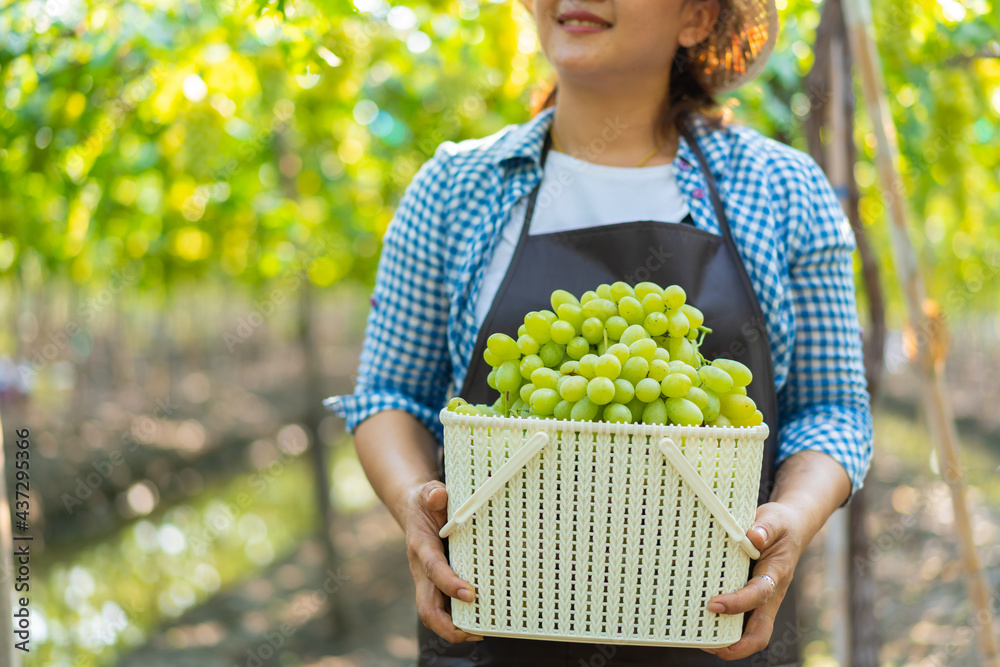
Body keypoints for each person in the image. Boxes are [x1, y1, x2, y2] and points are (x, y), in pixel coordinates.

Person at [326, 0, 873, 664]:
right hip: (492, 626)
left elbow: (833, 408)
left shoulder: (783, 191)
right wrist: (414, 497)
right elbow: (389, 394)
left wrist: (794, 513)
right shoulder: (454, 189)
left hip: (712, 624)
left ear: (697, 17)